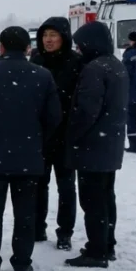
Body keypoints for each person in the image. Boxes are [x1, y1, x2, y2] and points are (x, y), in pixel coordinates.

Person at [0, 27, 62, 271]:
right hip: (29, 156)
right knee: (25, 215)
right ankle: (21, 263)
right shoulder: (42, 75)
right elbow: (54, 117)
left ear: (2, 48)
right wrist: (37, 140)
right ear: (29, 48)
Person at [65, 21, 128, 268]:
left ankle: (96, 251)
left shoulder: (94, 69)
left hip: (92, 147)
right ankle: (107, 243)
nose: (79, 50)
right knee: (106, 198)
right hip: (109, 146)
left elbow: (87, 111)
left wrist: (71, 135)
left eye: (81, 45)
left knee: (92, 201)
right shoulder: (115, 65)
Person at [29, 17, 83, 250]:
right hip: (40, 135)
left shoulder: (77, 62)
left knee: (66, 186)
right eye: (45, 35)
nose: (48, 40)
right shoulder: (37, 60)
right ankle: (37, 227)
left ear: (64, 37)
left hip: (66, 135)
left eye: (53, 35)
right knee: (38, 185)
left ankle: (65, 232)